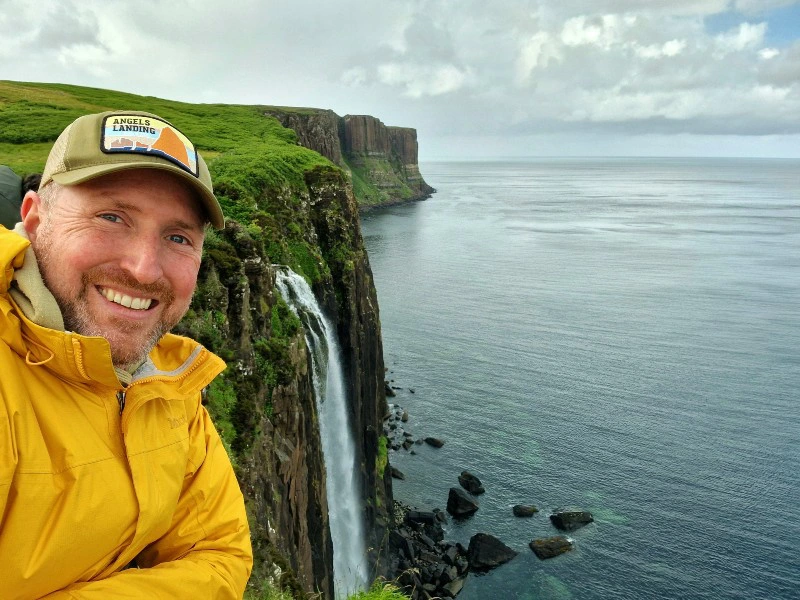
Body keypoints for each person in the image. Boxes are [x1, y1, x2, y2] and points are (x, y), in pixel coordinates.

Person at [0, 111, 253, 599]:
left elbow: (222, 554)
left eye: (178, 237)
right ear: (34, 219)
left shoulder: (165, 380)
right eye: (111, 217)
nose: (142, 269)